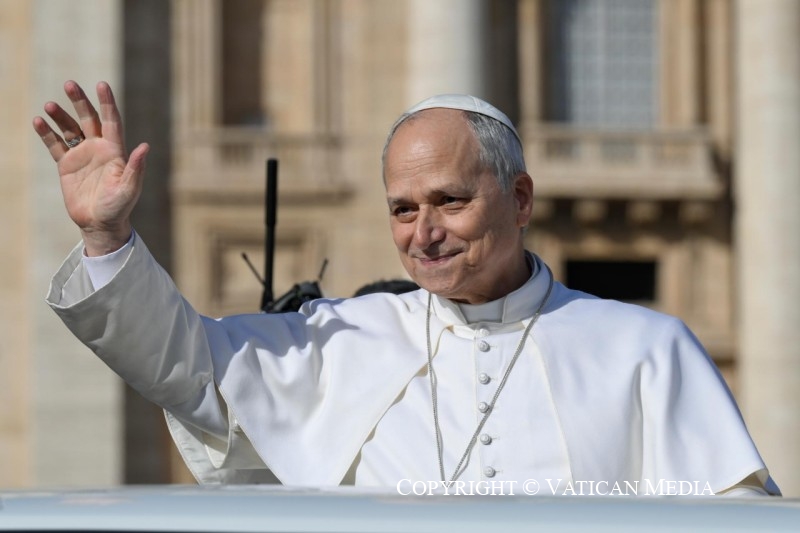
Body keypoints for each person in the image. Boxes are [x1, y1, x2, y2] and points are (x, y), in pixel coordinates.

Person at [34, 81, 779, 495]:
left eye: (450, 201)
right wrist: (107, 238)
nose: (424, 232)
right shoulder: (344, 339)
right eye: (402, 209)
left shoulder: (647, 348)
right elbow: (185, 366)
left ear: (519, 199)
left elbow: (736, 521)